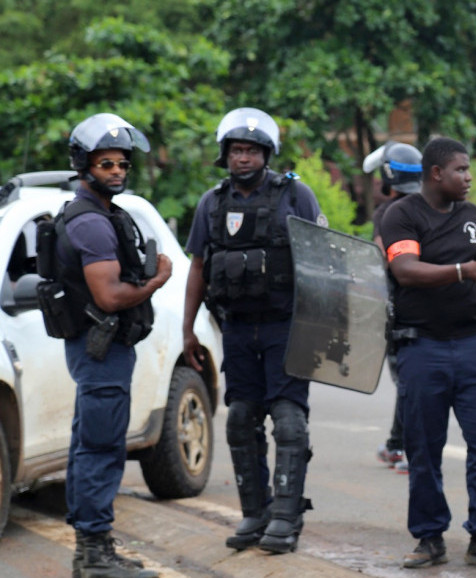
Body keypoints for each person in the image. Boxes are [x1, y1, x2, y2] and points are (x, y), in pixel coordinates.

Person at [183, 107, 325, 554]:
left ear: (267, 154)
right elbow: (199, 269)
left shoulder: (296, 196)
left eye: (252, 150)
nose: (243, 158)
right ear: (225, 155)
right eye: (237, 150)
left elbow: (323, 262)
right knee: (242, 420)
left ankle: (286, 517)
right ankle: (255, 514)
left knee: (288, 419)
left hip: (287, 325)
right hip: (239, 329)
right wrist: (187, 330)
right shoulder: (211, 202)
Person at [379, 137, 476, 569]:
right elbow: (405, 270)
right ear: (436, 173)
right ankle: (428, 538)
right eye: (461, 170)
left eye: (469, 169)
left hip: (473, 343)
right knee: (424, 448)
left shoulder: (473, 216)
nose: (469, 177)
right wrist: (464, 271)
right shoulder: (400, 215)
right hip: (422, 345)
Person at [55, 113, 171, 578]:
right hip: (100, 347)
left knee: (92, 443)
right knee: (100, 446)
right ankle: (93, 554)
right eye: (107, 164)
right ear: (85, 166)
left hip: (102, 348)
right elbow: (109, 295)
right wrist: (158, 280)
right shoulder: (90, 224)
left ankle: (93, 549)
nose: (118, 171)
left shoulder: (104, 215)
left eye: (122, 163)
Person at [365, 141, 423, 474]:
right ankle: (397, 444)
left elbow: (379, 259)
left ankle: (403, 448)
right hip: (431, 305)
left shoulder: (387, 213)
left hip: (398, 308)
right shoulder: (432, 207)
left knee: (406, 381)